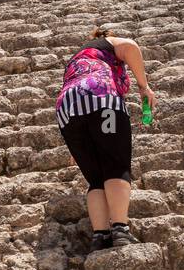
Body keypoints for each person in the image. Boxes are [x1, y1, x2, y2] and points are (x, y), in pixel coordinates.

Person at [56, 24, 156, 251]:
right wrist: (144, 87)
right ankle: (120, 228)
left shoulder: (78, 59)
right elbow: (130, 47)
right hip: (102, 100)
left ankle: (100, 235)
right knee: (115, 165)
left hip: (67, 111)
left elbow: (76, 93)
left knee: (96, 178)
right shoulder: (109, 44)